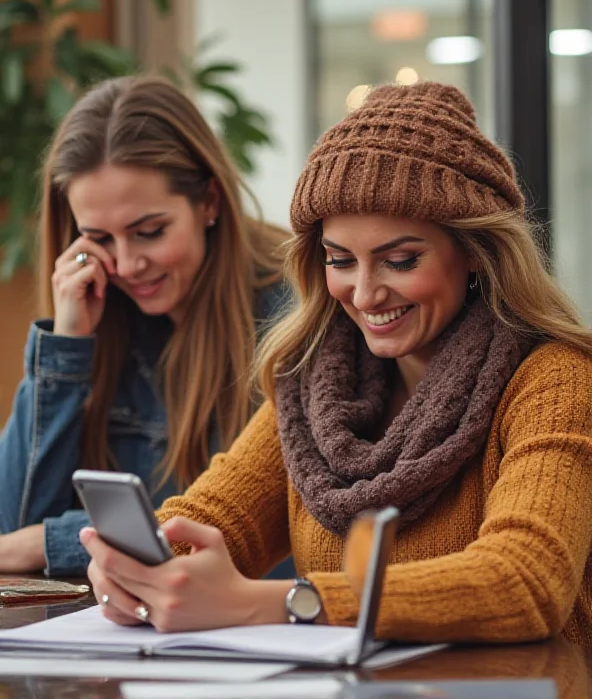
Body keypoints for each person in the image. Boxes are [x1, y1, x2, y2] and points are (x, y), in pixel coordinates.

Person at [82, 81, 592, 646]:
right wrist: (138, 567)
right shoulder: (312, 388)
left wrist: (283, 603)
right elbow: (211, 516)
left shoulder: (554, 381)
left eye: (400, 260)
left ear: (474, 250)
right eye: (341, 260)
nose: (366, 293)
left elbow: (524, 581)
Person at [0, 75, 289, 576]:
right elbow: (13, 530)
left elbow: (248, 530)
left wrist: (57, 542)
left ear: (209, 203)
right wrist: (67, 346)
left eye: (149, 232)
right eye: (100, 238)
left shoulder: (293, 317)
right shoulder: (101, 316)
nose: (128, 264)